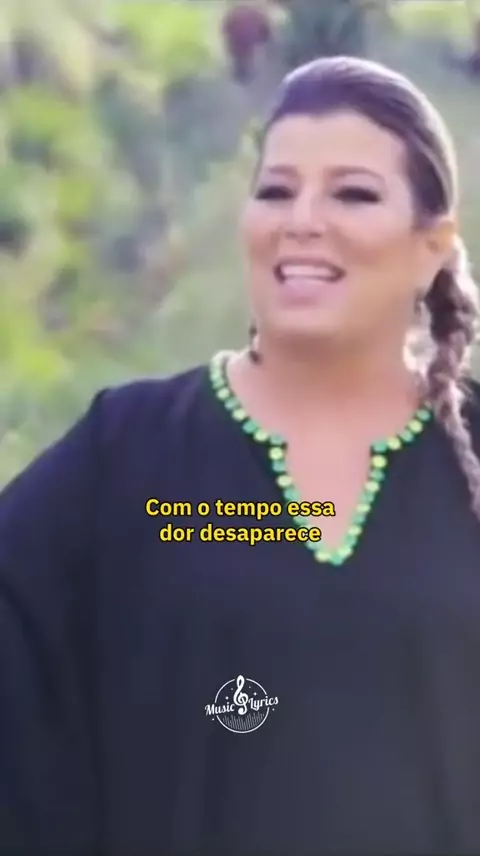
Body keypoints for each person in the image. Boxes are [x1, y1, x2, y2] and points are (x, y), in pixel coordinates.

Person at [1, 54, 480, 856]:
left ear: (432, 244)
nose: (302, 220)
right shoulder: (129, 454)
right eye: (276, 191)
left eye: (354, 194)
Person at [221, 0, 272, 84]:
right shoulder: (256, 13)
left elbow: (226, 27)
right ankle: (243, 74)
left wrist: (227, 37)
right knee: (244, 57)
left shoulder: (235, 13)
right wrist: (264, 38)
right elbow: (264, 27)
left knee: (240, 58)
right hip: (247, 41)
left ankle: (241, 74)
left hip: (238, 42)